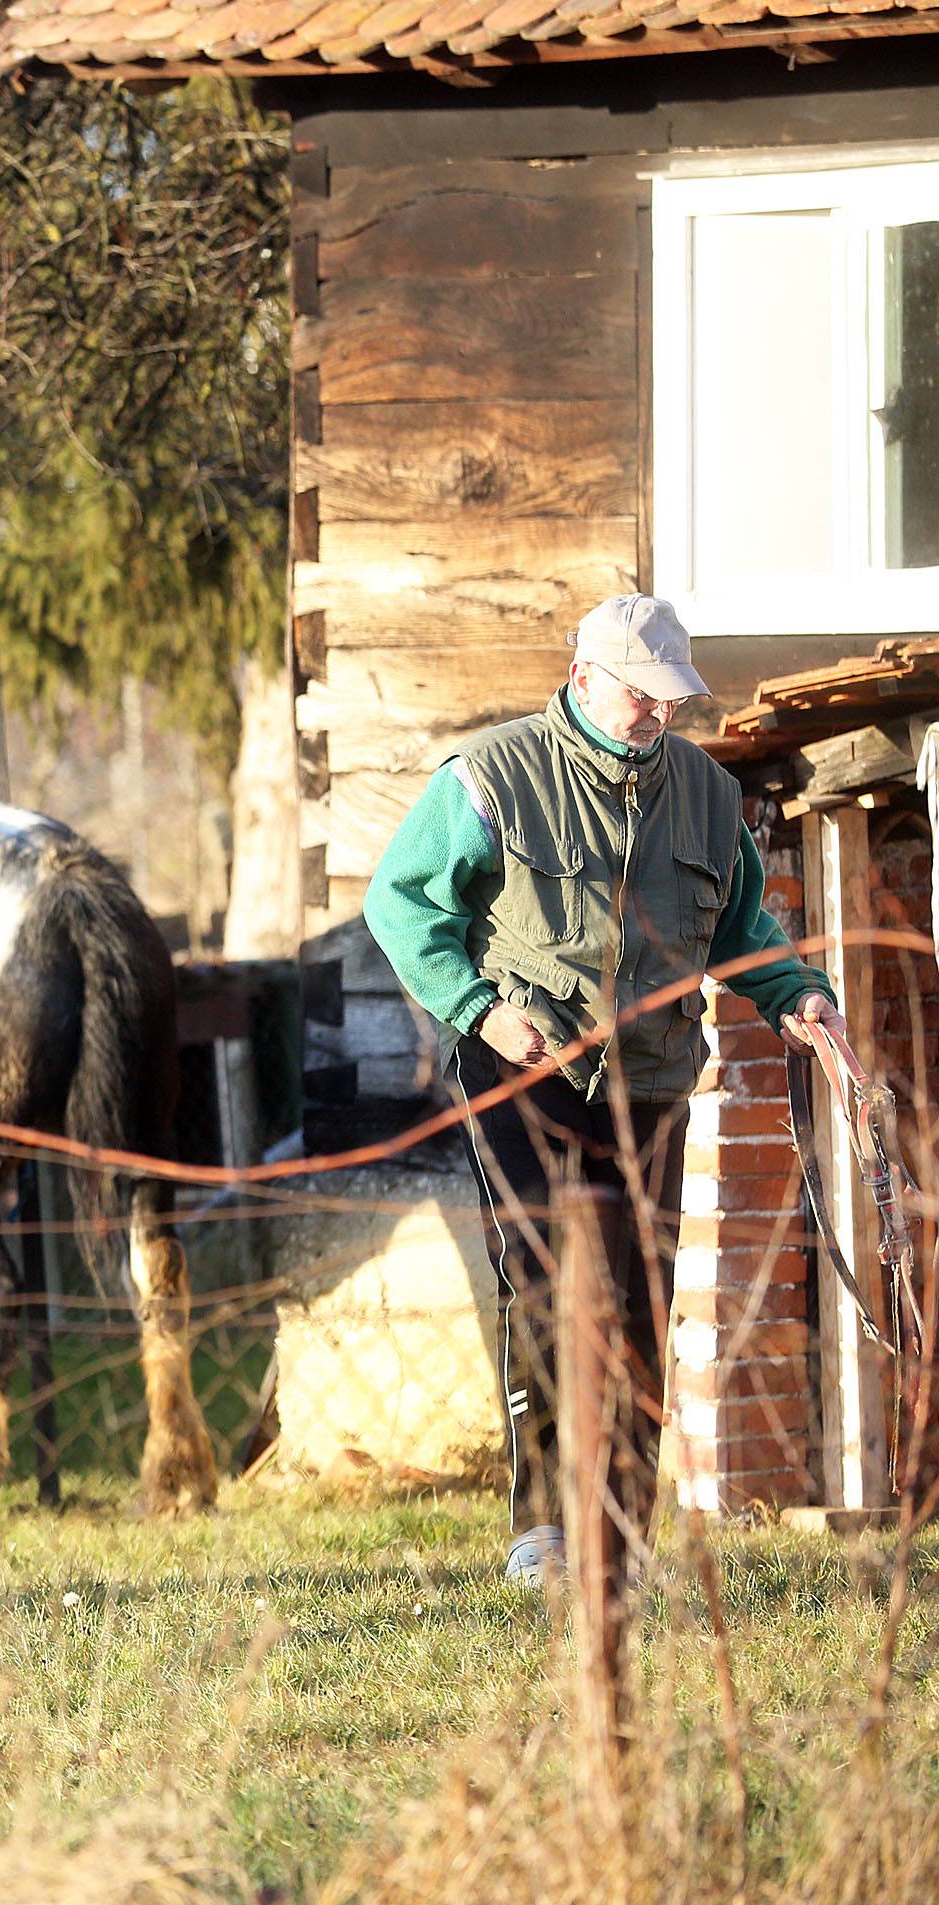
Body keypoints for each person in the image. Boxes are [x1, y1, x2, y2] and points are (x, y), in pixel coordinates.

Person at [363, 595, 842, 1587]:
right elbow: (401, 901)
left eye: (671, 698)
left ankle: (621, 1533)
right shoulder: (492, 776)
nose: (657, 715)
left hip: (656, 1085)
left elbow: (744, 925)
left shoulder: (708, 796)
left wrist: (795, 994)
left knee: (640, 1307)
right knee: (547, 1294)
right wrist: (480, 1008)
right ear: (585, 678)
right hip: (525, 1073)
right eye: (641, 695)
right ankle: (546, 1531)